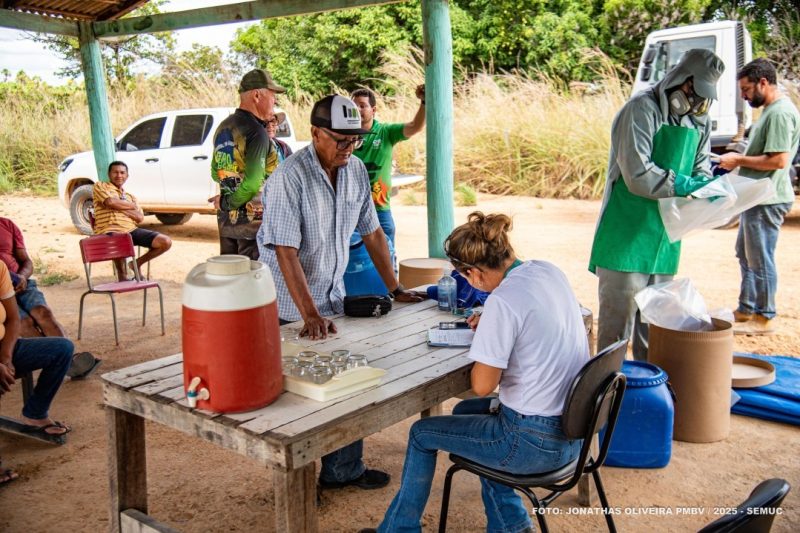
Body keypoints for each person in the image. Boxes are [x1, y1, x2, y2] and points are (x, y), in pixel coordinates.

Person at [361, 212, 588, 533]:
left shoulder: (503, 302)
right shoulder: (547, 270)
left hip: (532, 443)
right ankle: (511, 525)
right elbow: (536, 324)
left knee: (421, 434)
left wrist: (491, 331)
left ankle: (399, 530)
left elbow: (482, 385)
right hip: (575, 432)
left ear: (473, 273)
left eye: (463, 277)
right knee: (466, 413)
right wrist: (496, 326)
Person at [257, 94, 423, 491]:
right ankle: (296, 490)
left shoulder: (355, 171)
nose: (349, 148)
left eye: (356, 140)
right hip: (288, 305)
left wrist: (396, 287)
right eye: (341, 140)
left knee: (345, 383)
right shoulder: (289, 178)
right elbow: (284, 251)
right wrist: (309, 314)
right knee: (299, 399)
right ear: (315, 133)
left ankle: (343, 469)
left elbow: (373, 232)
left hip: (330, 297)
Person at [588, 49, 725, 361]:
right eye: (694, 91)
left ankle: (649, 390)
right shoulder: (641, 109)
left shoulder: (699, 121)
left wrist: (708, 186)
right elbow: (638, 175)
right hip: (626, 236)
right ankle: (606, 391)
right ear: (681, 78)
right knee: (615, 335)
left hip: (665, 239)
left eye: (703, 95)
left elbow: (701, 167)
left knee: (655, 332)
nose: (695, 101)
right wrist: (685, 185)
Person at [718, 59, 800, 336]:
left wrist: (738, 159)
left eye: (746, 89)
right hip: (756, 197)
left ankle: (764, 316)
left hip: (768, 198)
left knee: (760, 259)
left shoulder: (779, 113)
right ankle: (746, 308)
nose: (743, 95)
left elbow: (778, 160)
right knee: (746, 254)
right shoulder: (769, 111)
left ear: (763, 83)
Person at [0, 216, 100, 379]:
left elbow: (26, 261)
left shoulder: (7, 224)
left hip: (22, 283)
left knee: (43, 312)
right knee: (24, 323)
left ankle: (69, 359)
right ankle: (63, 361)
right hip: (1, 291)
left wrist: (23, 276)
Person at [210, 68, 284, 259]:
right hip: (253, 227)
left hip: (227, 224)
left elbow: (215, 172)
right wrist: (227, 203)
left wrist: (227, 201)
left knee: (229, 273)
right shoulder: (256, 132)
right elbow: (252, 184)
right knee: (253, 275)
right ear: (257, 95)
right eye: (272, 96)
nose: (275, 101)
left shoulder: (224, 127)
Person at [0, 260, 73, 438]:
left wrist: (5, 358)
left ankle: (35, 414)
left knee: (62, 348)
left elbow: (13, 319)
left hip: (4, 346)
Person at [351, 85, 426, 246]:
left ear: (373, 110)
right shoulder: (344, 136)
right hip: (351, 210)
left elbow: (415, 126)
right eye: (354, 106)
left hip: (380, 209)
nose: (357, 109)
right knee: (355, 256)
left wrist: (424, 102)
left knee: (387, 252)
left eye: (362, 105)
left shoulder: (385, 132)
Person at [93, 161, 172, 277]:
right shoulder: (100, 186)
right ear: (109, 174)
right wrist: (131, 206)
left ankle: (136, 264)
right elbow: (110, 202)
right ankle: (122, 276)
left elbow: (139, 217)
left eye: (122, 173)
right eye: (115, 172)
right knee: (119, 237)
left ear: (127, 176)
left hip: (131, 230)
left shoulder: (131, 197)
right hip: (109, 231)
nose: (119, 175)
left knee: (165, 242)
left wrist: (119, 207)